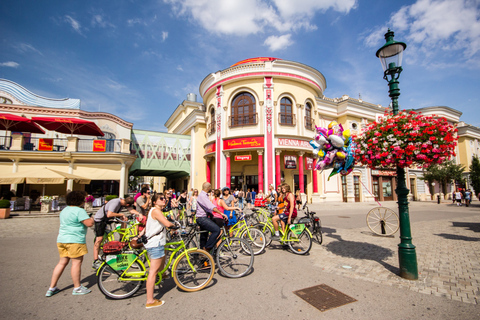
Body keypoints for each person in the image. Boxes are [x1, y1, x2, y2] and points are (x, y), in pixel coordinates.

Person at [46, 191, 94, 297]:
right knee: (76, 263)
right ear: (79, 200)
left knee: (62, 262)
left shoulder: (64, 210)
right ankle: (77, 287)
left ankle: (52, 287)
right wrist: (91, 218)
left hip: (62, 239)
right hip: (75, 239)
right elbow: (89, 223)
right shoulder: (79, 210)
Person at [143, 193, 175, 309]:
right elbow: (166, 224)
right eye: (161, 199)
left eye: (164, 198)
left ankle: (163, 274)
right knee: (153, 272)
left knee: (159, 263)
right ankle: (150, 301)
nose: (164, 200)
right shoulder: (156, 211)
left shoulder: (154, 210)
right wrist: (174, 225)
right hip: (155, 243)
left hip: (156, 242)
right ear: (155, 201)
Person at [92, 197, 138, 269]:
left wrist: (140, 214)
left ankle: (121, 239)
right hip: (100, 219)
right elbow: (109, 214)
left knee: (124, 219)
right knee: (99, 239)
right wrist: (121, 214)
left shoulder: (124, 201)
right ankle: (95, 261)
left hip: (108, 218)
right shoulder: (115, 202)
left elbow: (131, 210)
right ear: (127, 204)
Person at [196, 182, 225, 252]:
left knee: (204, 236)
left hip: (202, 218)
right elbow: (211, 207)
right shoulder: (203, 196)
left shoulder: (203, 195)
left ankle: (202, 254)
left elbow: (208, 208)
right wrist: (221, 213)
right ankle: (207, 249)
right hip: (202, 218)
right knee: (217, 230)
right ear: (208, 188)